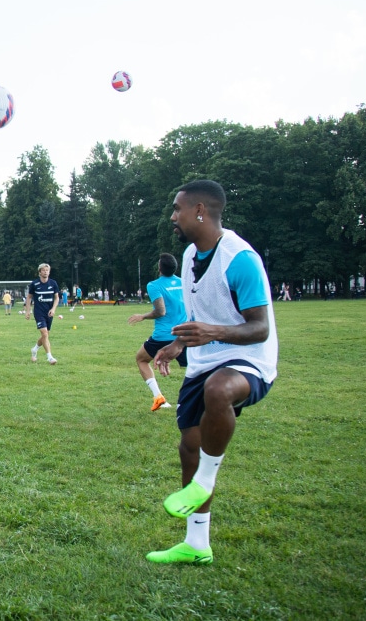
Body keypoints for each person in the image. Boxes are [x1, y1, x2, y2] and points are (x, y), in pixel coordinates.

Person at [146, 180, 278, 565]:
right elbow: (198, 314)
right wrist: (179, 344)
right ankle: (197, 544)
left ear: (200, 210)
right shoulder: (188, 257)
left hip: (249, 359)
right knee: (189, 447)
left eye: (177, 209)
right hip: (203, 359)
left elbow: (260, 328)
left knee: (219, 391)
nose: (173, 216)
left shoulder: (240, 259)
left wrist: (213, 333)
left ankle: (205, 480)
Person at [127, 254, 187, 411]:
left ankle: (159, 397)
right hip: (184, 334)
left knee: (141, 359)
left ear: (159, 268)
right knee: (196, 367)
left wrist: (143, 316)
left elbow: (160, 311)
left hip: (163, 335)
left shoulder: (154, 285)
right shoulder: (183, 283)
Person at [23, 263, 60, 365]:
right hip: (39, 312)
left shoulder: (53, 283)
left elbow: (56, 297)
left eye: (47, 270)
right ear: (40, 272)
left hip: (49, 312)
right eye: (43, 270)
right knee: (44, 333)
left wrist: (53, 309)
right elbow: (29, 297)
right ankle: (49, 357)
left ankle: (34, 349)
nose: (46, 272)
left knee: (46, 335)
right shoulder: (34, 284)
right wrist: (27, 311)